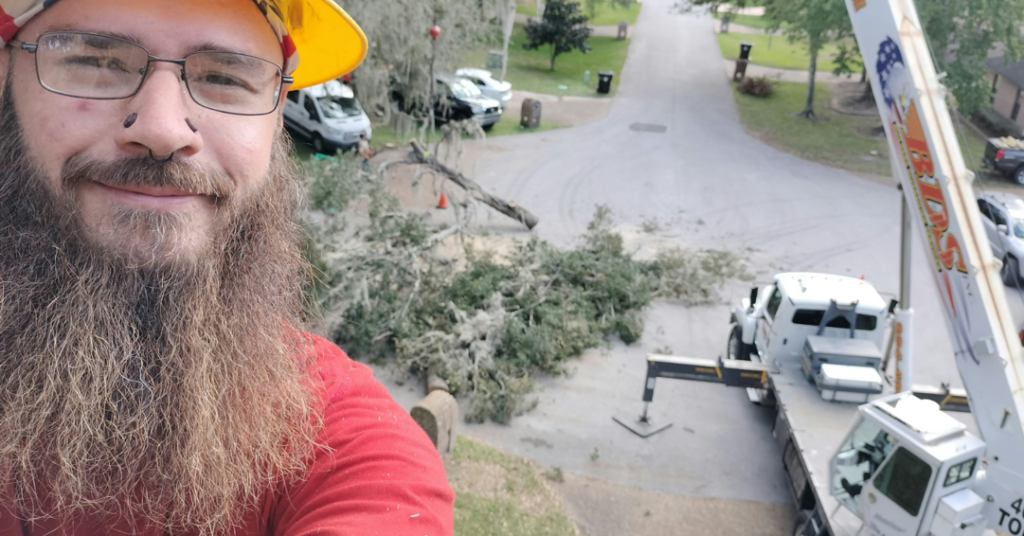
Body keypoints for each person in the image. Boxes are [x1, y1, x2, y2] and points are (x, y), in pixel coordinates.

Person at [0, 1, 453, 535]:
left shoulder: (340, 439)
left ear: (278, 108)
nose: (163, 130)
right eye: (97, 62)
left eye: (224, 77)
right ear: (6, 77)